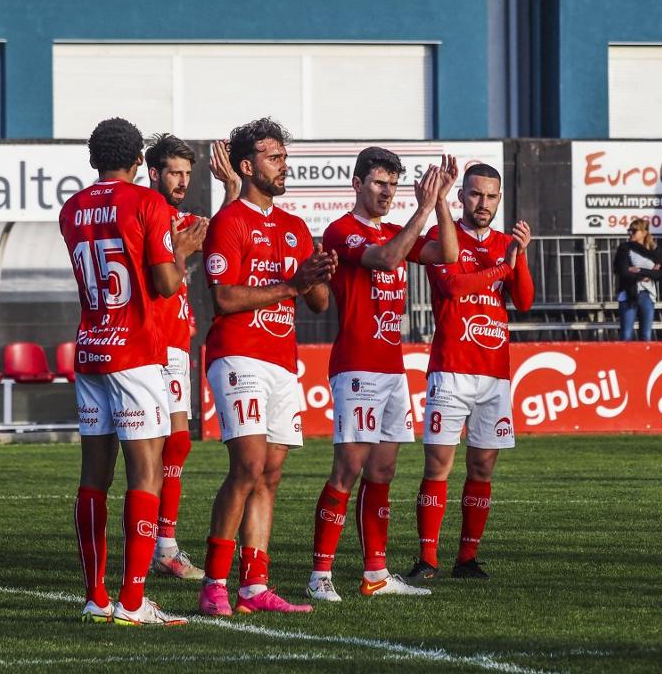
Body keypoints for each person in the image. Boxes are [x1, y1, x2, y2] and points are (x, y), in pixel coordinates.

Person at [60, 117, 202, 626]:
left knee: (93, 477)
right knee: (145, 473)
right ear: (139, 162)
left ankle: (96, 597)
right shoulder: (149, 203)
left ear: (94, 158)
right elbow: (165, 284)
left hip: (91, 348)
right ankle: (135, 601)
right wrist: (181, 252)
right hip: (136, 352)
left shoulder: (72, 209)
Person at [306, 148, 459, 602]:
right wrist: (424, 208)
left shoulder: (396, 228)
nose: (387, 190)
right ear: (357, 184)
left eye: (392, 183)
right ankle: (320, 575)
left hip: (391, 368)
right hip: (357, 366)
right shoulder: (342, 231)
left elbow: (447, 252)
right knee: (348, 468)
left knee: (383, 470)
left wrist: (443, 201)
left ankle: (376, 573)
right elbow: (388, 260)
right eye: (378, 182)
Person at [198, 117, 335, 616]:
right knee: (249, 464)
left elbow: (318, 303)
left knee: (271, 474)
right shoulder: (229, 222)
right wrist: (293, 286)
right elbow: (226, 297)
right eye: (274, 157)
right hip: (238, 354)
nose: (284, 165)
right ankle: (214, 583)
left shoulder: (296, 227)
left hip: (282, 360)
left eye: (284, 156)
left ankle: (254, 586)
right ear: (246, 166)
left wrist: (318, 275)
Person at [407, 163, 534, 582]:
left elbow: (525, 301)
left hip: (495, 373)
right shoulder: (444, 238)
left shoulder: (503, 242)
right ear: (461, 196)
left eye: (492, 196)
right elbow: (453, 287)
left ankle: (467, 558)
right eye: (477, 195)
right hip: (452, 370)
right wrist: (504, 267)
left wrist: (521, 258)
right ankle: (427, 559)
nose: (484, 204)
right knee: (439, 465)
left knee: (482, 469)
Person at [143, 133, 225, 580]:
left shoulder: (185, 218)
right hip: (143, 342)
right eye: (174, 172)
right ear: (154, 172)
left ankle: (165, 546)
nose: (182, 180)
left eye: (187, 174)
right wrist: (180, 250)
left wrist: (232, 187)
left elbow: (225, 228)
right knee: (146, 448)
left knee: (177, 442)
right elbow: (161, 280)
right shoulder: (143, 215)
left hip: (176, 343)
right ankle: (154, 546)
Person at [614, 218, 662, 341]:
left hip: (648, 294)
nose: (631, 233)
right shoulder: (625, 248)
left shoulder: (654, 250)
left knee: (646, 335)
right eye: (629, 231)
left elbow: (660, 273)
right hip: (628, 294)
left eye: (634, 231)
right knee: (626, 334)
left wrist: (640, 271)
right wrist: (648, 274)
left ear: (644, 232)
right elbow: (623, 271)